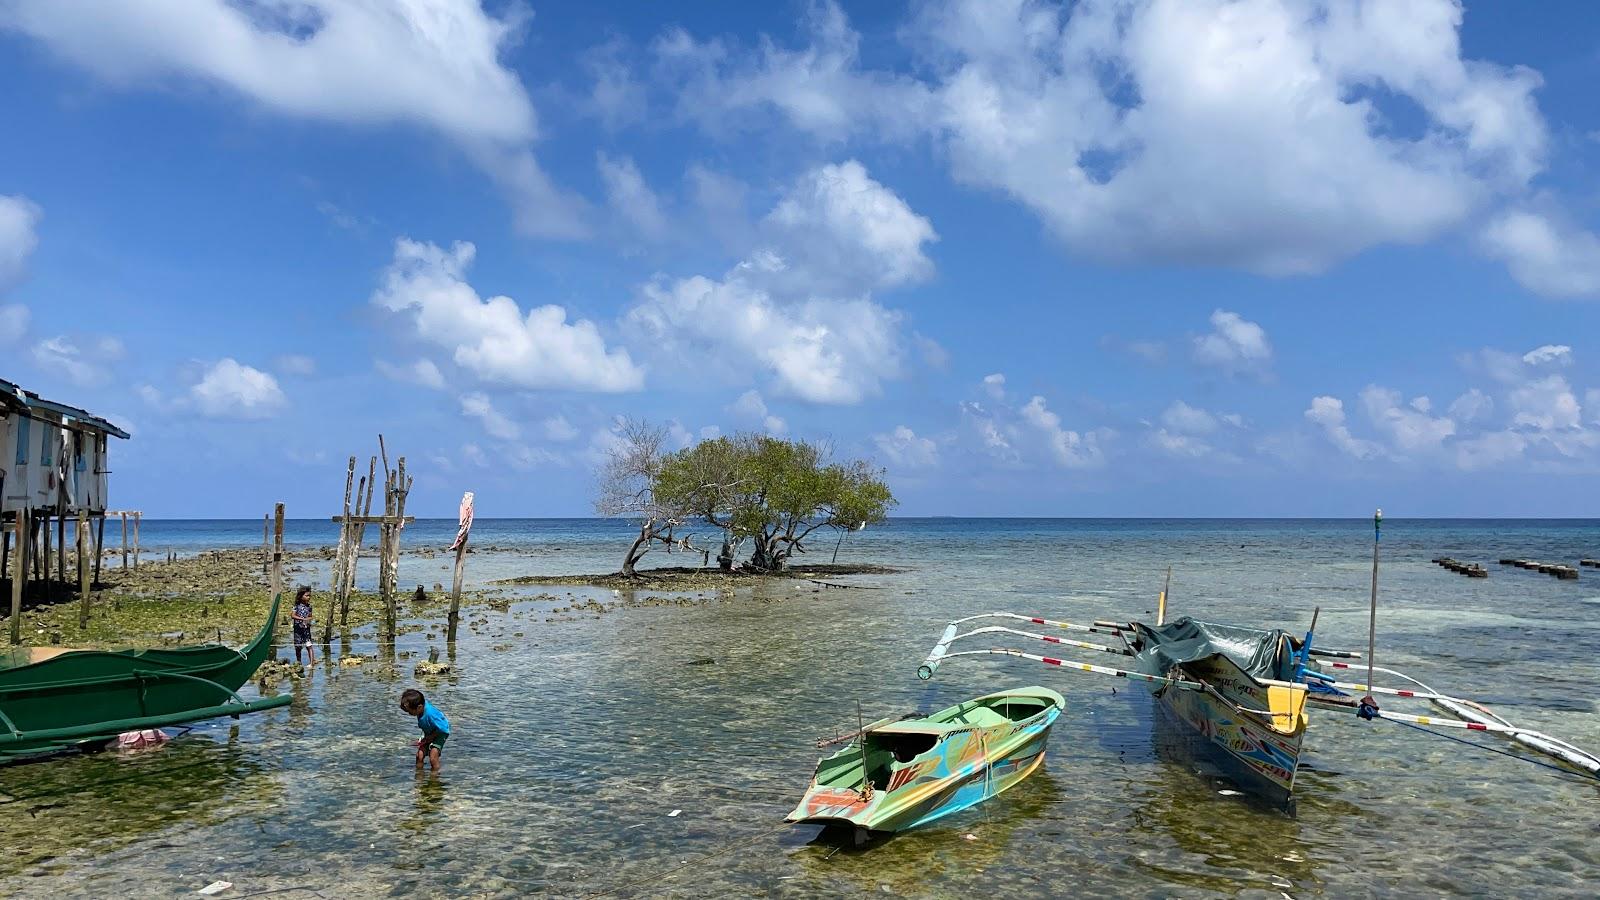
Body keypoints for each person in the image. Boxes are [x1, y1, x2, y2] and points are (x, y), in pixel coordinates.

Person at [400, 688, 450, 773]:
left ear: (419, 707)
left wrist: (431, 737)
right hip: (429, 731)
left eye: (410, 712)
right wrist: (425, 738)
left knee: (433, 757)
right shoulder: (420, 707)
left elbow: (444, 729)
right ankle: (419, 777)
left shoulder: (431, 714)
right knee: (419, 755)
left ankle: (434, 778)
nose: (409, 714)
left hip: (440, 733)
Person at [291, 586, 316, 665]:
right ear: (301, 596)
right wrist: (302, 619)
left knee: (309, 645)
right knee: (298, 647)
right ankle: (299, 662)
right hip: (298, 629)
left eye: (309, 596)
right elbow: (292, 615)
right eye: (306, 596)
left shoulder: (309, 607)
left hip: (306, 629)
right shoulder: (296, 606)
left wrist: (309, 619)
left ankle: (311, 663)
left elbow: (310, 616)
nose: (308, 597)